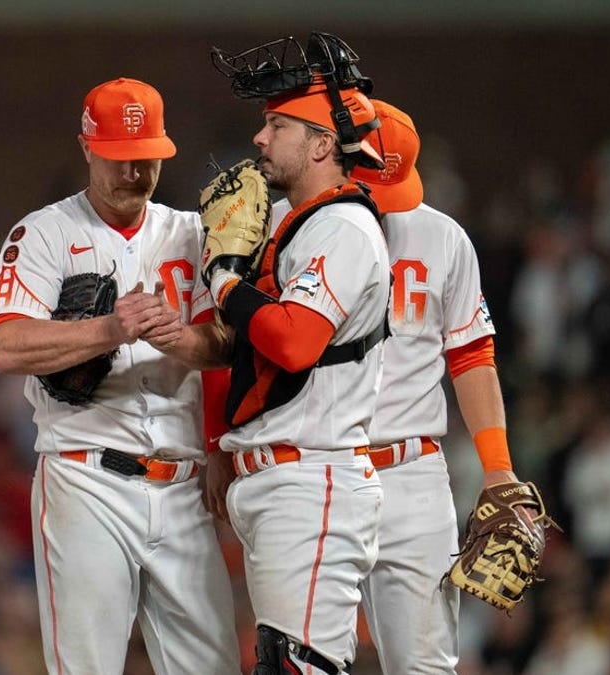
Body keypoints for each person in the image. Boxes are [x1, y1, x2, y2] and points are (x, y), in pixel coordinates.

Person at [0, 77, 239, 675]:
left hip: (183, 483)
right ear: (88, 148)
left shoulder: (191, 234)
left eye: (145, 158)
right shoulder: (43, 233)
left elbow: (228, 348)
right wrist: (107, 331)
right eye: (120, 158)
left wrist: (186, 339)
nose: (133, 173)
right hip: (86, 476)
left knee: (214, 664)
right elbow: (6, 345)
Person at [198, 77, 391, 673]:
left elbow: (293, 342)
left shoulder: (343, 228)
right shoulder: (297, 223)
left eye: (277, 125)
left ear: (321, 144)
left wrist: (226, 280)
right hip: (286, 480)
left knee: (295, 665)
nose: (260, 137)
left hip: (313, 478)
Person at [345, 99, 534, 674]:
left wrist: (497, 466)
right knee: (306, 660)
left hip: (414, 471)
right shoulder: (292, 228)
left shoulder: (442, 236)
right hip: (319, 465)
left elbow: (472, 354)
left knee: (427, 666)